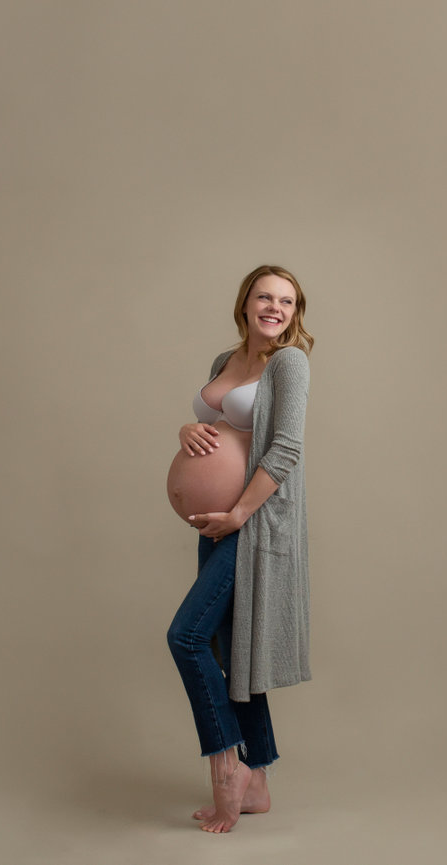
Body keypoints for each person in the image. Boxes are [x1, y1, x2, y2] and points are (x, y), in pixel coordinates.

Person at [164, 265, 313, 834]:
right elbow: (215, 424)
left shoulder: (289, 363)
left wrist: (237, 516)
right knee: (230, 649)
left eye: (288, 301)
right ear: (245, 303)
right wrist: (185, 431)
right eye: (265, 297)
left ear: (296, 313)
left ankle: (227, 764)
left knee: (188, 636)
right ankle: (260, 784)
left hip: (254, 525)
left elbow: (285, 449)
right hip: (219, 524)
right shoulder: (224, 361)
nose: (275, 308)